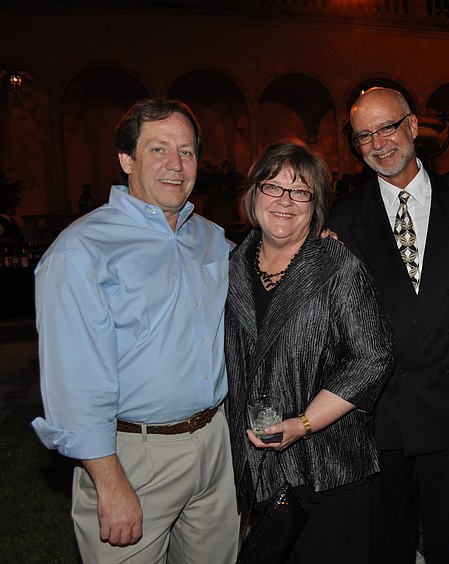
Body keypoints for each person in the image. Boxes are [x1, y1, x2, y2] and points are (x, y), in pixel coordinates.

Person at [31, 98, 240, 562]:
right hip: (133, 456)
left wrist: (313, 243)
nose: (175, 165)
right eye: (158, 149)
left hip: (214, 444)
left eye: (186, 152)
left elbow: (269, 276)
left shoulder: (210, 237)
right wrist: (109, 481)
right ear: (127, 159)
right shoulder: (82, 251)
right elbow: (73, 384)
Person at [329, 87, 449, 564]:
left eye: (388, 127)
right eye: (364, 136)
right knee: (387, 549)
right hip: (381, 418)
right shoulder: (344, 218)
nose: (379, 144)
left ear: (414, 126)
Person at [224, 138, 394, 563]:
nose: (285, 200)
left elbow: (373, 356)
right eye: (273, 187)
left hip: (327, 469)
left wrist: (303, 423)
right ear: (253, 195)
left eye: (300, 191)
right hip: (258, 466)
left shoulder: (339, 266)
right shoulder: (229, 267)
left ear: (316, 204)